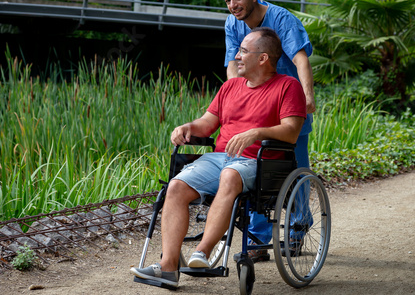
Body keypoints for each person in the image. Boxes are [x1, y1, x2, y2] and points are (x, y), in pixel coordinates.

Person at [130, 27, 307, 288]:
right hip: (220, 157)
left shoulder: (288, 86)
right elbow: (207, 123)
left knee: (230, 175)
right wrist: (188, 127)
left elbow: (291, 132)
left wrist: (255, 132)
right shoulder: (230, 86)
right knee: (176, 186)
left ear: (263, 58)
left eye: (244, 51)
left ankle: (202, 252)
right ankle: (168, 267)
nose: (236, 56)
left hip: (258, 161)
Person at [222, 0, 315, 262]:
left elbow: (300, 59)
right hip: (256, 105)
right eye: (227, 0)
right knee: (252, 169)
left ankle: (298, 228)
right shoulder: (231, 23)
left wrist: (307, 97)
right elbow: (232, 65)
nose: (233, 5)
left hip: (287, 104)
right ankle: (258, 238)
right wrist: (235, 99)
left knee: (293, 168)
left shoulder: (281, 18)